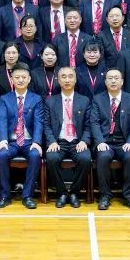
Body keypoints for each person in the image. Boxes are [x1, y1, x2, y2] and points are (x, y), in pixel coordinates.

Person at [0, 62, 45, 209]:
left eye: (24, 77)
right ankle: (4, 196)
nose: (20, 80)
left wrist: (37, 142)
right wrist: (3, 141)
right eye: (17, 77)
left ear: (29, 79)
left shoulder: (36, 99)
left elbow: (38, 122)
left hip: (29, 141)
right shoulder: (5, 99)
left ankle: (28, 196)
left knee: (35, 155)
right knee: (2, 155)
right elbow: (2, 120)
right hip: (11, 141)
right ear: (12, 79)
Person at [42, 67, 94, 208]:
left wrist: (84, 141)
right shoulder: (50, 101)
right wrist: (52, 141)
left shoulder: (84, 100)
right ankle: (62, 193)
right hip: (59, 141)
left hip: (78, 141)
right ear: (58, 80)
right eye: (63, 77)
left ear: (75, 80)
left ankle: (74, 193)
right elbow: (46, 125)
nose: (67, 80)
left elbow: (89, 125)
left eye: (70, 76)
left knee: (85, 159)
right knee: (51, 158)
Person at [91, 68, 130, 210]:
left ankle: (129, 195)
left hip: (124, 142)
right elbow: (94, 123)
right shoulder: (97, 99)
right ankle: (105, 195)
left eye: (116, 78)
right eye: (110, 78)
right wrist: (100, 141)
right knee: (103, 157)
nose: (113, 81)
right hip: (105, 142)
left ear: (122, 81)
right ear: (105, 82)